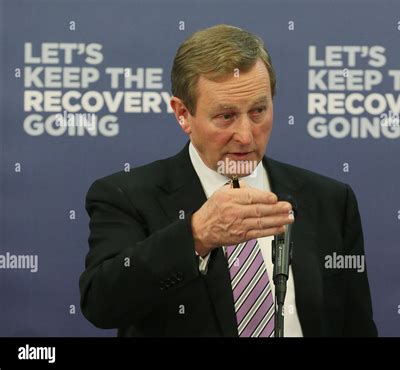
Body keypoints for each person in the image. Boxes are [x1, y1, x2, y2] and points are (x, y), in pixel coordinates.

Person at [79, 24, 377, 337]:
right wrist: (195, 236)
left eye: (259, 110)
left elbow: (355, 325)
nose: (246, 135)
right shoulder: (126, 195)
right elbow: (101, 302)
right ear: (183, 113)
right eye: (226, 116)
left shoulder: (329, 199)